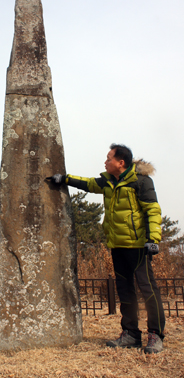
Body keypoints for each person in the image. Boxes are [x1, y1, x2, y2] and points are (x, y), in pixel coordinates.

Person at [48, 144, 165, 353]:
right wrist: (64, 179)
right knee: (125, 291)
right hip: (117, 245)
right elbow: (88, 183)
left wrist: (153, 238)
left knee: (148, 290)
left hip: (138, 246)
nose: (105, 161)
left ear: (121, 163)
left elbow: (153, 210)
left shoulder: (141, 182)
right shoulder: (108, 182)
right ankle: (130, 334)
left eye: (109, 158)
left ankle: (155, 335)